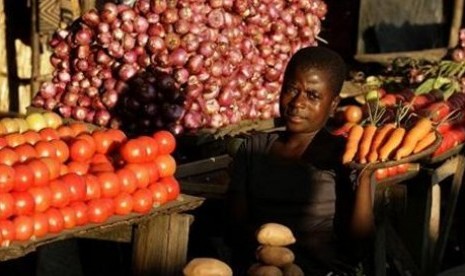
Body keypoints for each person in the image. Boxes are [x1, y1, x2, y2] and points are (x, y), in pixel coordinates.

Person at [224, 46, 375, 275]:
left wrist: (366, 176)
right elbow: (235, 226)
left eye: (312, 95)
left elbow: (359, 245)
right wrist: (264, 252)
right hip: (262, 267)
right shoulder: (254, 148)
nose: (297, 102)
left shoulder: (346, 155)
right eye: (291, 89)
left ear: (333, 104)